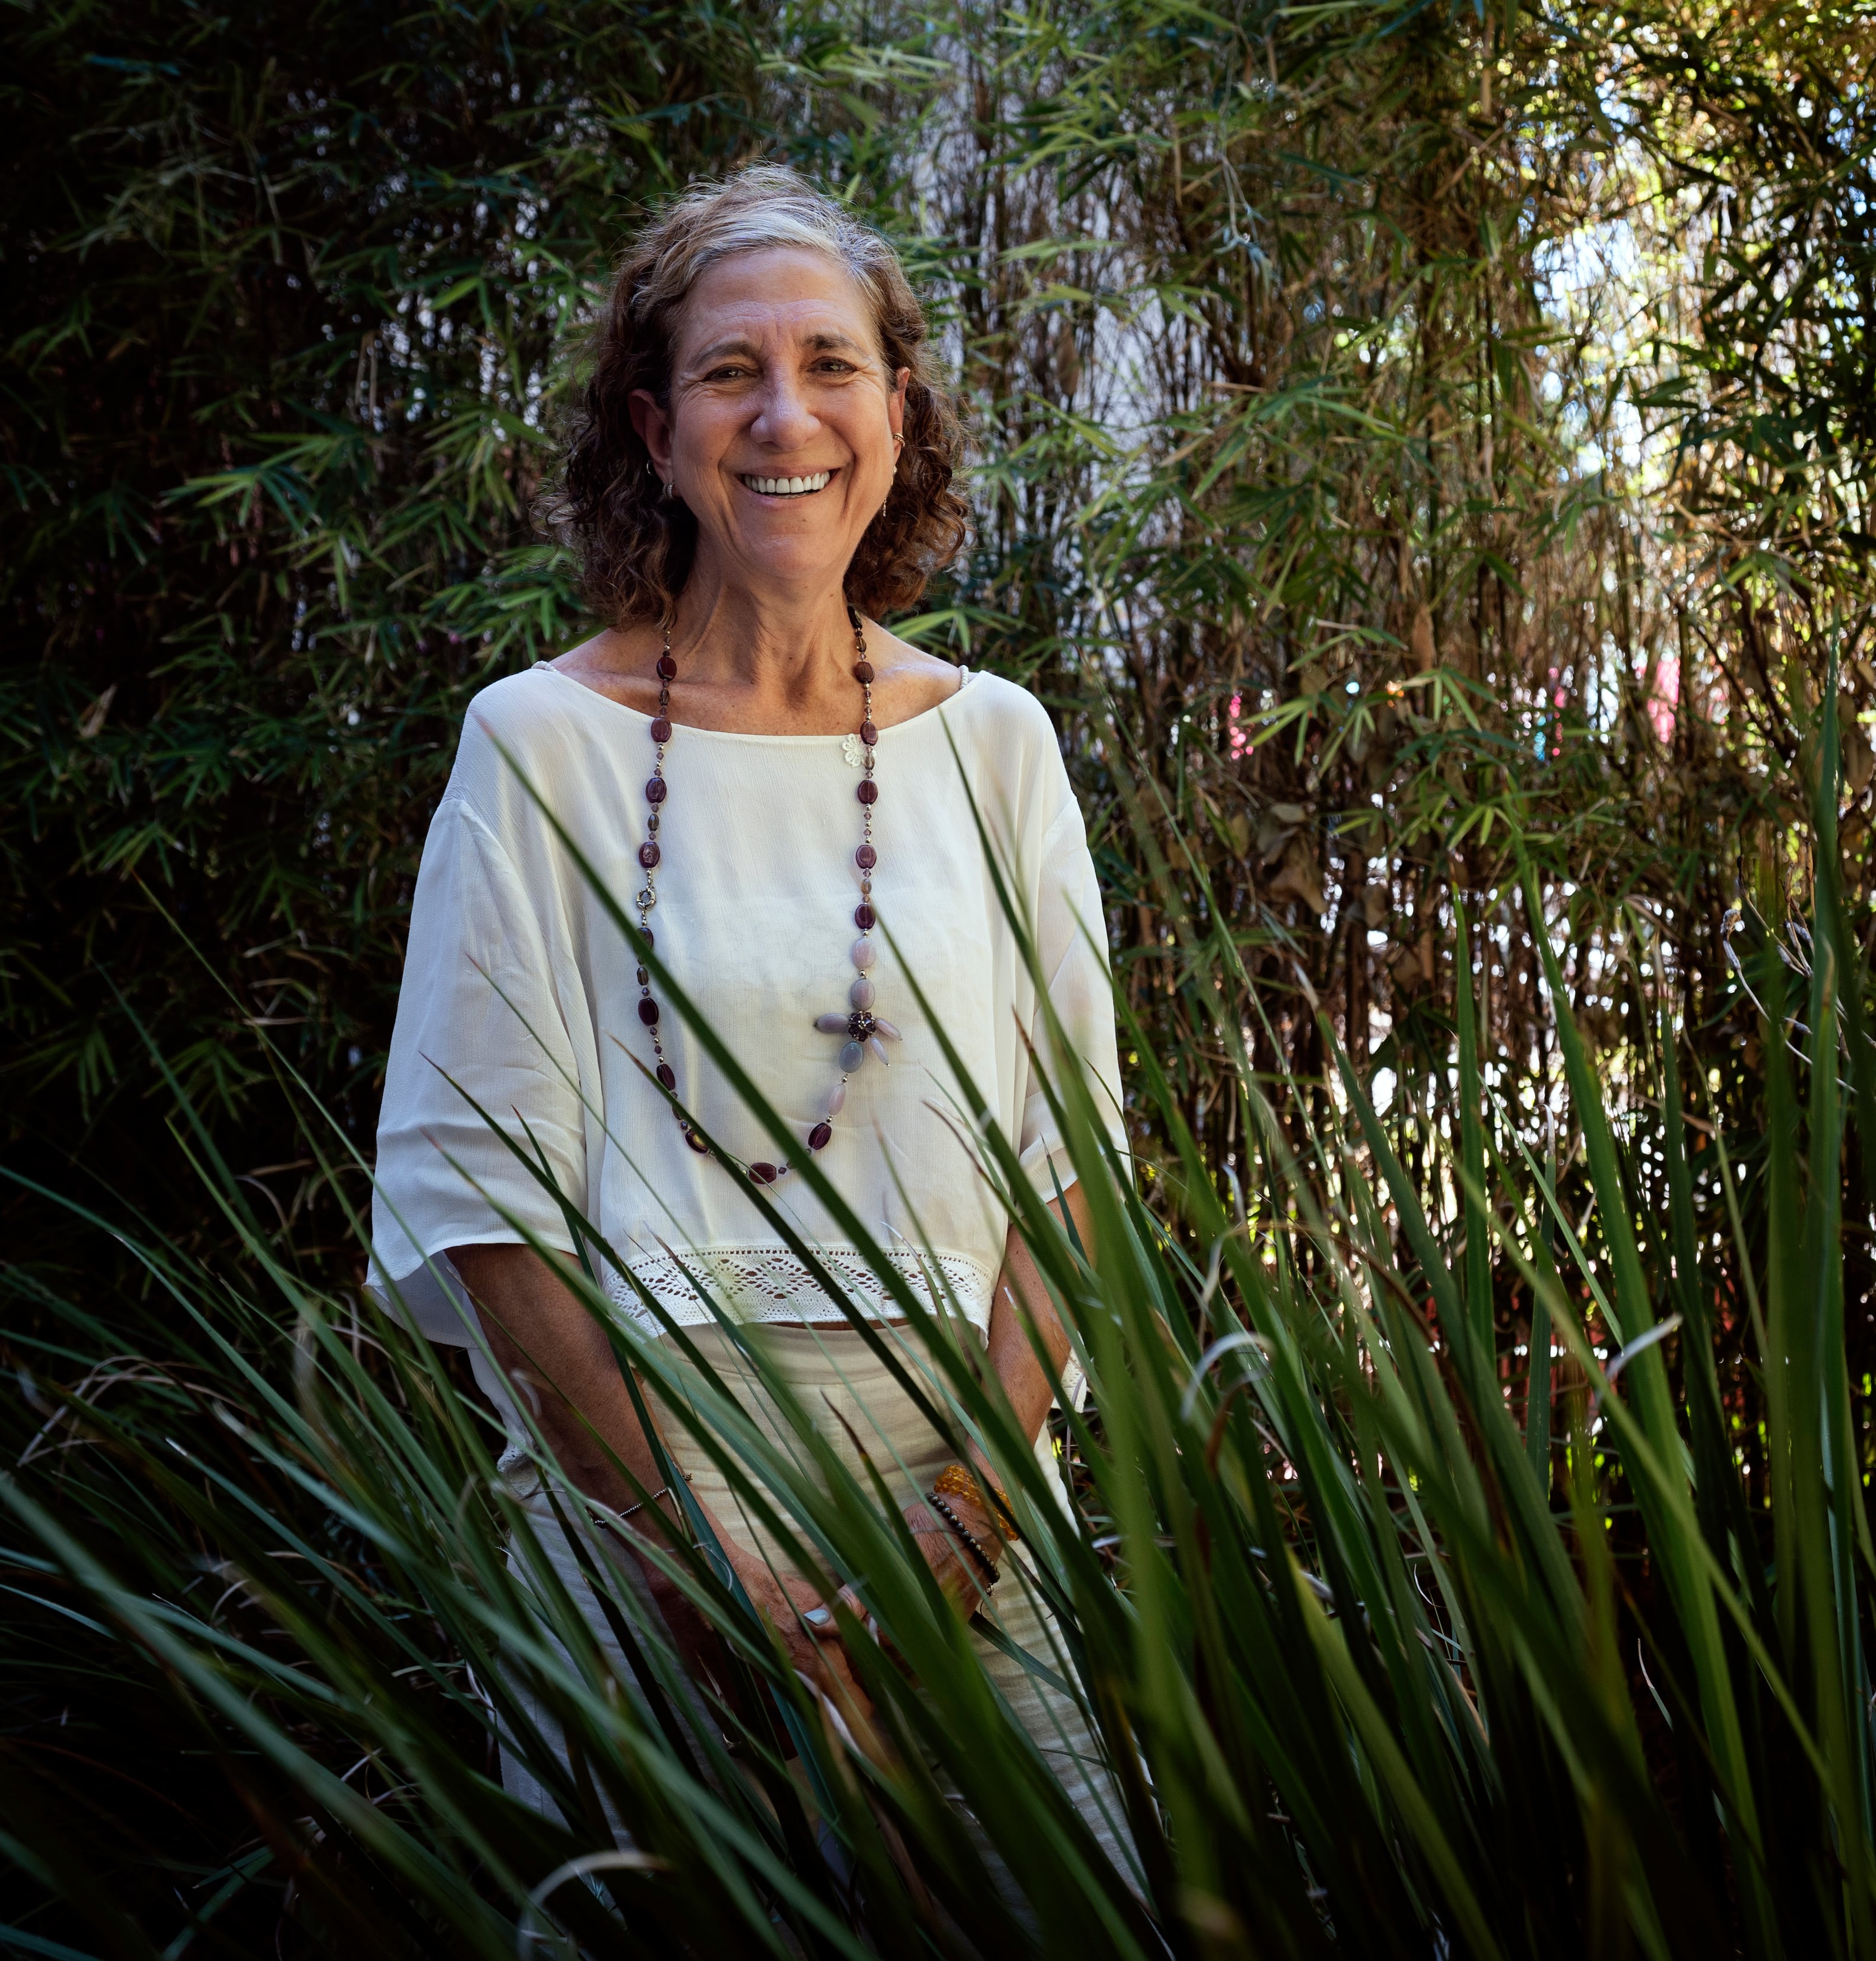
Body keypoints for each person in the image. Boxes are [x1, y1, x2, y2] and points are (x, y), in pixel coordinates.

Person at [364, 162, 1128, 1868]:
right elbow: (480, 1203)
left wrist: (971, 1516)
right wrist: (694, 1564)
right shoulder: (536, 749)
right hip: (639, 1492)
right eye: (729, 372)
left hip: (967, 1488)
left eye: (831, 363)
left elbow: (1073, 1176)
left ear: (897, 405)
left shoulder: (997, 746)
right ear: (655, 427)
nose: (787, 415)